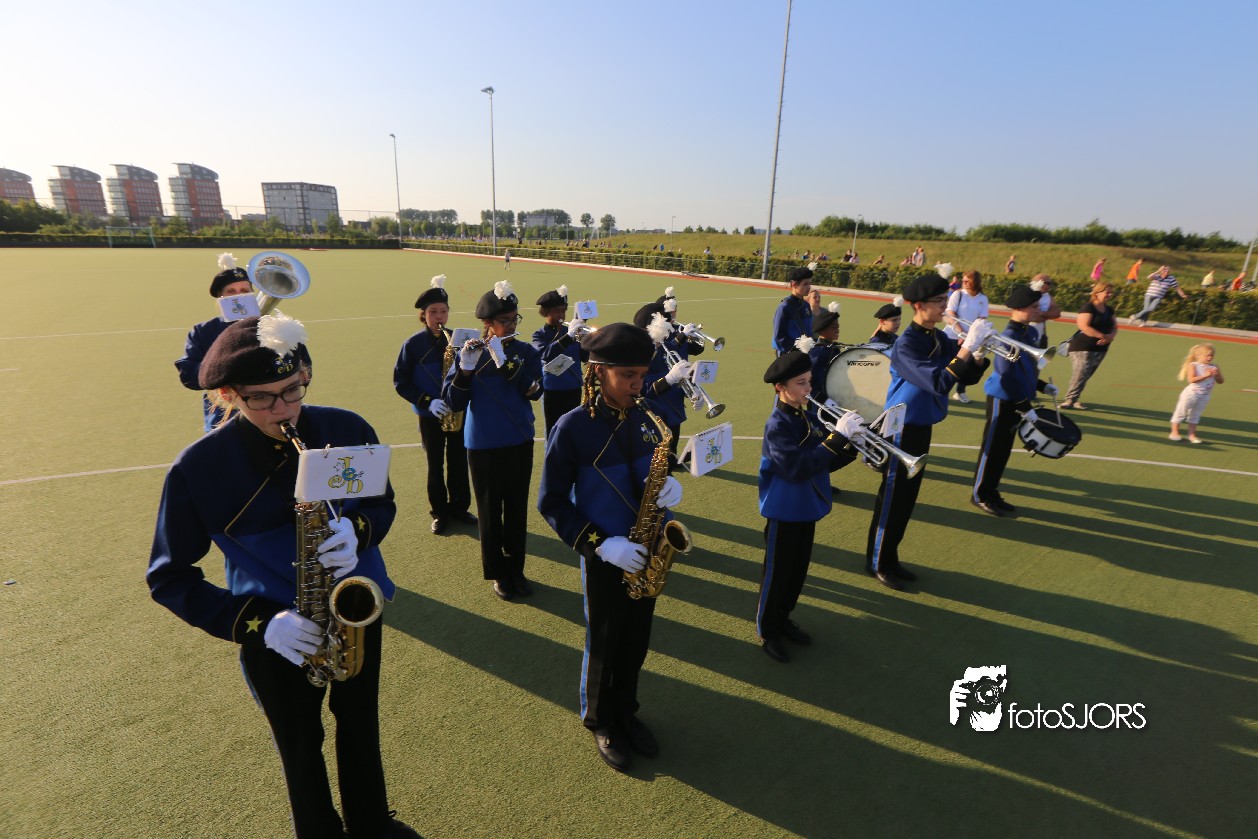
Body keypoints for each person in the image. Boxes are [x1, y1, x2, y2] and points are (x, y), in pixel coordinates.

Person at [147, 312, 421, 839]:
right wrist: (259, 623)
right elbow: (168, 576)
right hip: (276, 628)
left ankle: (371, 823)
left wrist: (358, 531)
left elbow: (380, 503)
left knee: (360, 722)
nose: (284, 410)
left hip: (353, 607)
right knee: (298, 741)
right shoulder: (198, 468)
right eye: (262, 398)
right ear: (227, 395)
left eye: (293, 389)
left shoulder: (346, 428)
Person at [537, 322, 686, 772]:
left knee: (636, 638)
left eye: (642, 375)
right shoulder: (571, 427)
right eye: (628, 376)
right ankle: (601, 719)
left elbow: (653, 470)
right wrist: (602, 546)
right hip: (606, 553)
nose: (638, 385)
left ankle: (627, 710)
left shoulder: (647, 416)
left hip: (647, 548)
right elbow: (551, 502)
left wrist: (670, 485)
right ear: (598, 371)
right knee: (605, 639)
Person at [865, 274, 990, 590]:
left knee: (907, 498)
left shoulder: (937, 338)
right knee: (893, 498)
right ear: (919, 305)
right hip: (900, 428)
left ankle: (890, 557)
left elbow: (966, 377)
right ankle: (878, 561)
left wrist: (978, 353)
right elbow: (939, 381)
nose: (945, 305)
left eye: (945, 299)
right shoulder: (907, 344)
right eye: (939, 301)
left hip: (921, 426)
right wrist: (967, 347)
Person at [757, 341, 861, 662]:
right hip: (784, 511)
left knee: (796, 573)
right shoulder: (777, 425)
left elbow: (823, 463)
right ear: (780, 387)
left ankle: (783, 618)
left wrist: (851, 445)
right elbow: (798, 468)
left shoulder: (808, 417)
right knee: (777, 577)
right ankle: (768, 630)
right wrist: (836, 439)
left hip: (806, 508)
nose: (808, 388)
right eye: (801, 383)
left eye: (810, 381)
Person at [442, 281, 543, 601]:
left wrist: (507, 362)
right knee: (489, 512)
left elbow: (536, 391)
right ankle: (498, 572)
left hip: (518, 440)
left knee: (516, 510)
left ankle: (516, 570)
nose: (511, 325)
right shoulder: (469, 352)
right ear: (487, 323)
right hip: (483, 444)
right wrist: (464, 370)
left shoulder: (525, 351)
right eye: (505, 321)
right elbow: (453, 402)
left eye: (514, 319)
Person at [392, 274, 474, 535]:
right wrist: (428, 402)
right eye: (433, 312)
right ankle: (440, 513)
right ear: (423, 315)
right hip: (430, 415)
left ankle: (459, 508)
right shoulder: (413, 345)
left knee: (459, 462)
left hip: (457, 412)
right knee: (435, 464)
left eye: (444, 311)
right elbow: (401, 381)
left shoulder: (459, 339)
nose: (440, 317)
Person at [971, 285, 1059, 517]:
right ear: (1020, 308)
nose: (1038, 311)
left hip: (1017, 397)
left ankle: (992, 492)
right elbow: (1006, 375)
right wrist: (1023, 405)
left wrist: (1041, 385)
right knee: (992, 449)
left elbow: (1025, 369)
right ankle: (980, 495)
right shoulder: (1008, 337)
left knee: (1003, 450)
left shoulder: (1029, 333)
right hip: (1003, 399)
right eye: (1034, 307)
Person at [175, 253, 256, 432]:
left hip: (267, 413)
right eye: (231, 291)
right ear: (220, 297)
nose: (239, 296)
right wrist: (223, 365)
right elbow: (188, 376)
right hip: (223, 418)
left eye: (245, 291)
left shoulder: (272, 327)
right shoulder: (203, 331)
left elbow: (303, 367)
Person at [532, 285, 587, 436]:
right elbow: (545, 354)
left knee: (572, 429)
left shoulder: (571, 331)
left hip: (573, 387)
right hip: (553, 389)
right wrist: (569, 336)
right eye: (556, 311)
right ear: (546, 312)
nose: (561, 315)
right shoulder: (539, 335)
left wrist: (585, 339)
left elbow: (585, 356)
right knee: (553, 430)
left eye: (563, 310)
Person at [1061, 281, 1118, 410]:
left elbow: (1115, 327)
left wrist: (1110, 337)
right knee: (1081, 372)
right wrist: (1103, 336)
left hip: (1101, 348)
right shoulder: (1088, 307)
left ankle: (1075, 399)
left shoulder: (1109, 309)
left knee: (1086, 375)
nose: (1109, 294)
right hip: (1082, 346)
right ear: (1097, 293)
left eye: (1111, 292)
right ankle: (1069, 400)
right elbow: (1083, 326)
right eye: (1107, 292)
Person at [943, 270, 990, 403]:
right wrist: (961, 332)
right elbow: (950, 313)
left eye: (967, 281)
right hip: (951, 336)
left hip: (969, 339)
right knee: (949, 364)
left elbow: (981, 319)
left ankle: (960, 391)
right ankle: (941, 390)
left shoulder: (983, 299)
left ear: (975, 282)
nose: (963, 282)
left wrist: (972, 336)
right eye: (963, 280)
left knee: (966, 366)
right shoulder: (958, 294)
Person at [1169, 344, 1224, 443]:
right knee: (1181, 412)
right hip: (1191, 395)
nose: (1210, 358)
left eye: (1211, 355)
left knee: (1195, 415)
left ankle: (1192, 435)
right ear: (1198, 355)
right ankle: (1174, 433)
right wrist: (1206, 375)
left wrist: (1216, 376)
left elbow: (1221, 381)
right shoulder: (1193, 365)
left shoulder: (1214, 366)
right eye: (1207, 355)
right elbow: (1191, 380)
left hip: (1205, 395)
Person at [806, 303, 843, 405]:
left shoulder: (834, 348)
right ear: (822, 331)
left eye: (838, 327)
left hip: (832, 397)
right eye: (833, 327)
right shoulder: (818, 352)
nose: (837, 330)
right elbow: (810, 381)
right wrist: (823, 400)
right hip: (820, 402)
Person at [772, 266, 814, 354]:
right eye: (805, 284)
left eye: (810, 284)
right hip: (789, 354)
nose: (809, 287)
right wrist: (796, 350)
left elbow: (809, 332)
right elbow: (779, 337)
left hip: (805, 353)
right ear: (794, 284)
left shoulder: (806, 305)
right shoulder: (784, 307)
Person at [1028, 274, 1062, 349]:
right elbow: (1034, 318)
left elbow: (1057, 313)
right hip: (1023, 333)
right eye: (1048, 284)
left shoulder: (1048, 297)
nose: (1050, 286)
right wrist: (1045, 316)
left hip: (1039, 335)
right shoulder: (1027, 294)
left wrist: (1042, 313)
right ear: (1039, 282)